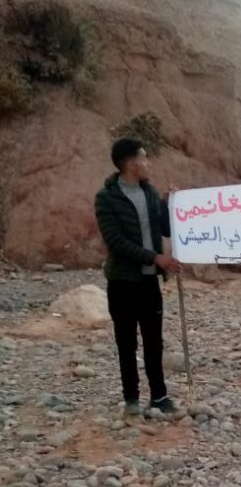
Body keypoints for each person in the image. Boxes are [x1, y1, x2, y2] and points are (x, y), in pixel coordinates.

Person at [94, 138, 182, 417]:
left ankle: (159, 397)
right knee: (126, 341)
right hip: (122, 282)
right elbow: (116, 242)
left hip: (148, 282)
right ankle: (131, 398)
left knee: (154, 341)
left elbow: (165, 229)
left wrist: (168, 205)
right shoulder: (106, 198)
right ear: (130, 163)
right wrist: (156, 258)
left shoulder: (150, 193)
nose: (148, 163)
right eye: (144, 157)